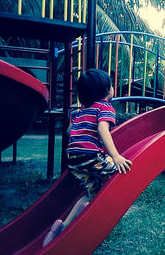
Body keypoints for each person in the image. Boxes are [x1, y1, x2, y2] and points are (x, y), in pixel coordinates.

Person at [43, 69, 133, 247]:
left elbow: (70, 131)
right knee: (124, 170)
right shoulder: (104, 107)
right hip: (90, 155)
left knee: (91, 193)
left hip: (73, 159)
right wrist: (115, 156)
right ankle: (90, 212)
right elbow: (102, 130)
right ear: (107, 90)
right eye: (112, 85)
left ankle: (63, 225)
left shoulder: (82, 111)